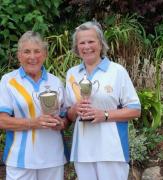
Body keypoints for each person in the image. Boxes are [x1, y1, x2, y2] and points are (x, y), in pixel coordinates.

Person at [65, 21, 141, 180]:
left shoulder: (117, 71)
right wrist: (74, 109)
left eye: (91, 41)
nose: (87, 46)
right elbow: (69, 116)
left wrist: (104, 115)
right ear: (77, 47)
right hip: (83, 152)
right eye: (82, 43)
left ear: (100, 44)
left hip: (111, 150)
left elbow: (135, 110)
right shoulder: (72, 74)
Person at [0, 31, 68, 180]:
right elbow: (1, 120)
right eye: (27, 52)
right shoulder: (8, 81)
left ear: (44, 55)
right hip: (20, 160)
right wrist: (34, 122)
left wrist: (61, 123)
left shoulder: (56, 82)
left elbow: (65, 117)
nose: (32, 57)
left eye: (37, 51)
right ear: (19, 55)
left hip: (53, 158)